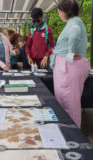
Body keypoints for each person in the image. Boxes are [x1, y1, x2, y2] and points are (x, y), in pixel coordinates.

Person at [50, 0, 90, 128]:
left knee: (67, 101)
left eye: (59, 11)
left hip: (68, 66)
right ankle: (69, 130)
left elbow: (75, 32)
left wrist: (70, 53)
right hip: (69, 65)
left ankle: (70, 132)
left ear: (65, 11)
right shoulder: (75, 21)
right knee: (67, 100)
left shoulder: (74, 24)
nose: (58, 13)